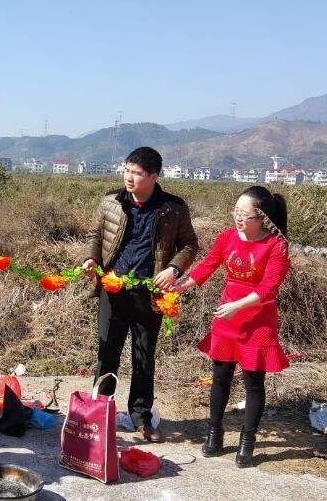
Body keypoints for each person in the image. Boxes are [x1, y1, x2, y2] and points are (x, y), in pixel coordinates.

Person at [82, 146, 199, 442]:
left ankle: (141, 417)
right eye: (127, 170)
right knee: (106, 354)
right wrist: (91, 258)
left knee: (143, 357)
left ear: (153, 176)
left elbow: (189, 245)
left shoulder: (173, 208)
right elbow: (95, 235)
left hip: (149, 294)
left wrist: (173, 269)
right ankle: (100, 414)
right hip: (113, 290)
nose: (129, 177)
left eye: (136, 173)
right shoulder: (111, 202)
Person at [175, 186, 290, 467]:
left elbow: (269, 287)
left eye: (244, 214)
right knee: (220, 377)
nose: (238, 218)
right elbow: (208, 265)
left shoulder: (276, 245)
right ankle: (215, 433)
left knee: (253, 382)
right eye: (236, 212)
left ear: (261, 217)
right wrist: (182, 285)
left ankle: (247, 441)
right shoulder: (227, 237)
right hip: (227, 318)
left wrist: (237, 306)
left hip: (257, 321)